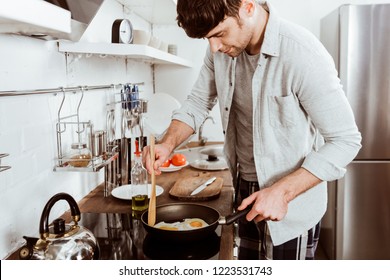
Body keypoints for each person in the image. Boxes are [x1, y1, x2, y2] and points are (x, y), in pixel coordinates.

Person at [143, 0, 361, 260]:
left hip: (290, 202)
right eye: (207, 38)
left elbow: (346, 140)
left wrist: (281, 192)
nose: (214, 47)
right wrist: (168, 143)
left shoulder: (303, 54)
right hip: (244, 192)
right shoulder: (220, 50)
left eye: (219, 34)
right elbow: (198, 103)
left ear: (247, 7)